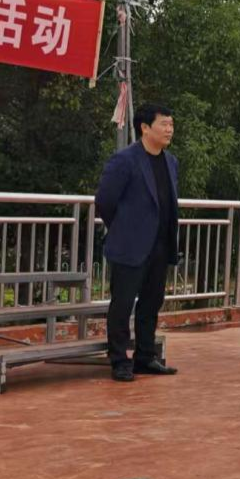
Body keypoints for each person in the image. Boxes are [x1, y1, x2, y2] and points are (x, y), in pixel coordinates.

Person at [94, 103, 181, 382]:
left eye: (171, 124)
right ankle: (120, 360)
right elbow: (104, 201)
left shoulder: (170, 161)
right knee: (122, 305)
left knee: (151, 303)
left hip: (160, 244)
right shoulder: (125, 160)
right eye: (164, 124)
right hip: (129, 244)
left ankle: (145, 357)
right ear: (144, 127)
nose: (169, 130)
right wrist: (122, 228)